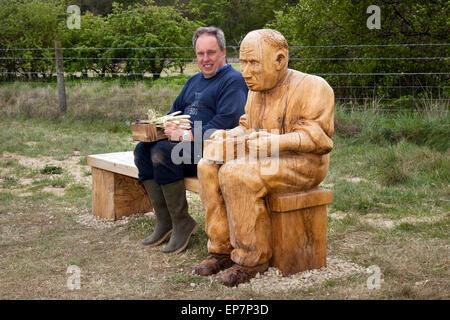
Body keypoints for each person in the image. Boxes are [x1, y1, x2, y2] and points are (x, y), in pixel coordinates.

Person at [194, 29, 335, 286]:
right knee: (208, 165)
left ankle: (251, 258)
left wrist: (276, 142)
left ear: (280, 60)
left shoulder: (314, 87)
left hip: (304, 163)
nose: (245, 71)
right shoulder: (256, 89)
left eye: (253, 63)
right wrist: (228, 135)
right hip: (265, 155)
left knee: (237, 173)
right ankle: (221, 247)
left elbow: (320, 140)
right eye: (243, 63)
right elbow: (247, 125)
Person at [134, 27, 248, 254]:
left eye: (211, 53)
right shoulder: (193, 81)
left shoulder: (233, 81)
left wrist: (188, 134)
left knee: (163, 152)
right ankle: (166, 221)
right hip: (184, 148)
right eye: (200, 54)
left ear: (223, 52)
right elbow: (174, 111)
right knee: (142, 150)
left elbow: (227, 122)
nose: (205, 59)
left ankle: (182, 223)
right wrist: (163, 125)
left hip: (213, 152)